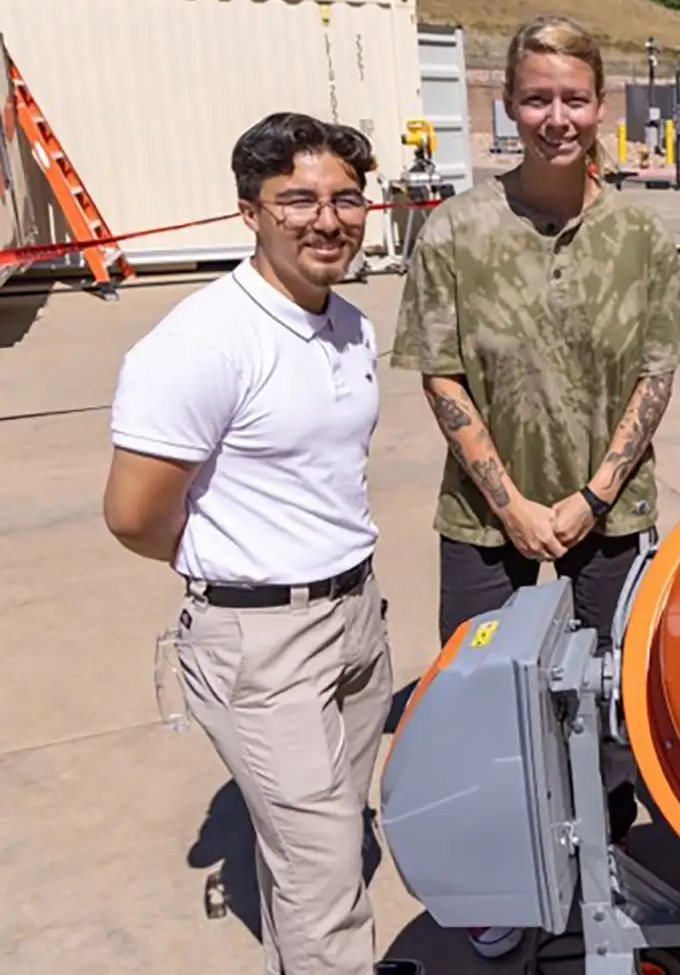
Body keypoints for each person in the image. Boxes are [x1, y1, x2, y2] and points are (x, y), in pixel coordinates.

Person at [390, 14, 680, 962]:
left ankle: (600, 864)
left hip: (609, 516)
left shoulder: (639, 236)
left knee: (612, 708)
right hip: (483, 520)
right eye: (536, 98)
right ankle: (502, 879)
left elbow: (657, 372)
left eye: (573, 97)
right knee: (481, 704)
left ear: (598, 105)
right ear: (508, 107)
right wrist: (513, 504)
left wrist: (592, 496)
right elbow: (441, 373)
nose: (555, 117)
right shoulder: (455, 231)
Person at [103, 113, 420, 975]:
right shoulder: (201, 344)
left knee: (327, 840)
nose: (328, 220)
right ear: (251, 211)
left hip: (354, 617)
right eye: (299, 201)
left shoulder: (349, 326)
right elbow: (134, 513)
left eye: (346, 199)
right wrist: (230, 564)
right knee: (322, 871)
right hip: (260, 642)